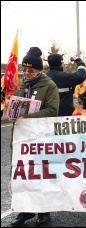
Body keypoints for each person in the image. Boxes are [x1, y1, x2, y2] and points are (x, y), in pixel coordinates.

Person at [10, 47, 59, 227]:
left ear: (40, 70)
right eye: (25, 69)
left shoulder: (49, 85)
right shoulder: (20, 85)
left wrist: (27, 118)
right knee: (22, 175)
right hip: (21, 138)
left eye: (31, 70)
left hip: (41, 138)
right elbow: (15, 106)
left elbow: (53, 110)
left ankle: (43, 212)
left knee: (40, 174)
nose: (27, 73)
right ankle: (24, 211)